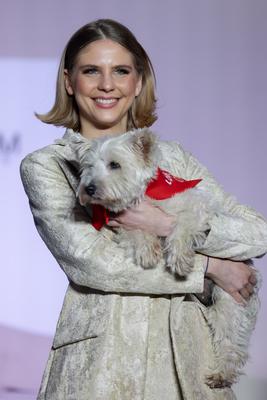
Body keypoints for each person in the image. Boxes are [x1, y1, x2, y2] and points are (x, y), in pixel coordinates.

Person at [20, 19, 267, 400]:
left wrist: (166, 224)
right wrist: (212, 268)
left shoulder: (173, 159)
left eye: (121, 71)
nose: (107, 85)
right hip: (101, 364)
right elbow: (95, 264)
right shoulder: (48, 166)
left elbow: (257, 233)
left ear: (138, 83)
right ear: (69, 82)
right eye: (91, 71)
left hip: (189, 360)